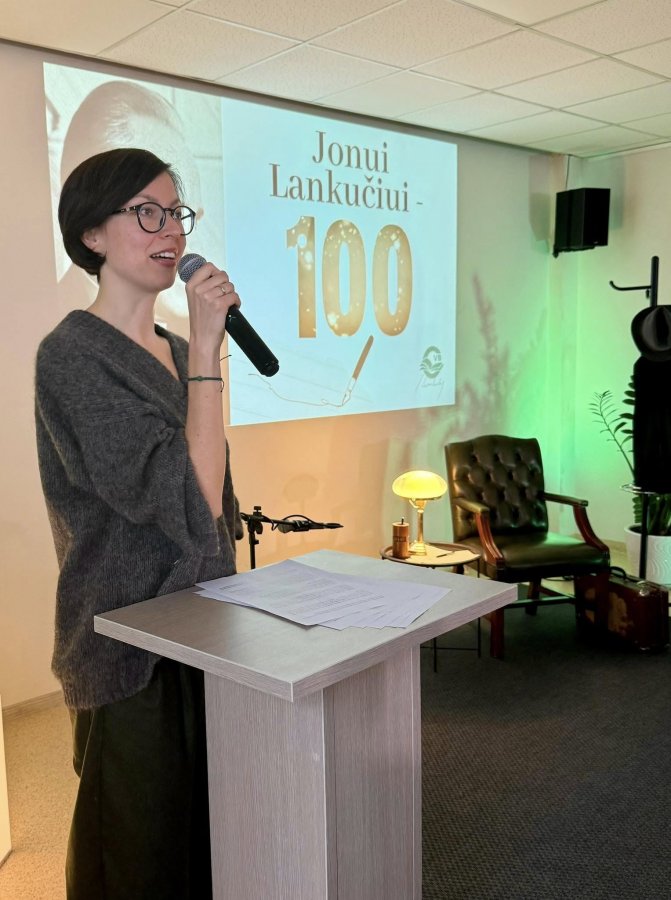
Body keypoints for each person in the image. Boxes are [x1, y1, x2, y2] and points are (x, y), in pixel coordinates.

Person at [34, 146, 242, 899]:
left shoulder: (180, 352)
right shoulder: (72, 357)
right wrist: (210, 354)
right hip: (126, 640)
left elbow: (214, 506)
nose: (171, 231)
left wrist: (201, 354)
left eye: (176, 213)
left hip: (204, 623)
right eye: (145, 213)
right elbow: (188, 499)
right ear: (92, 233)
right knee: (135, 854)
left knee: (207, 839)